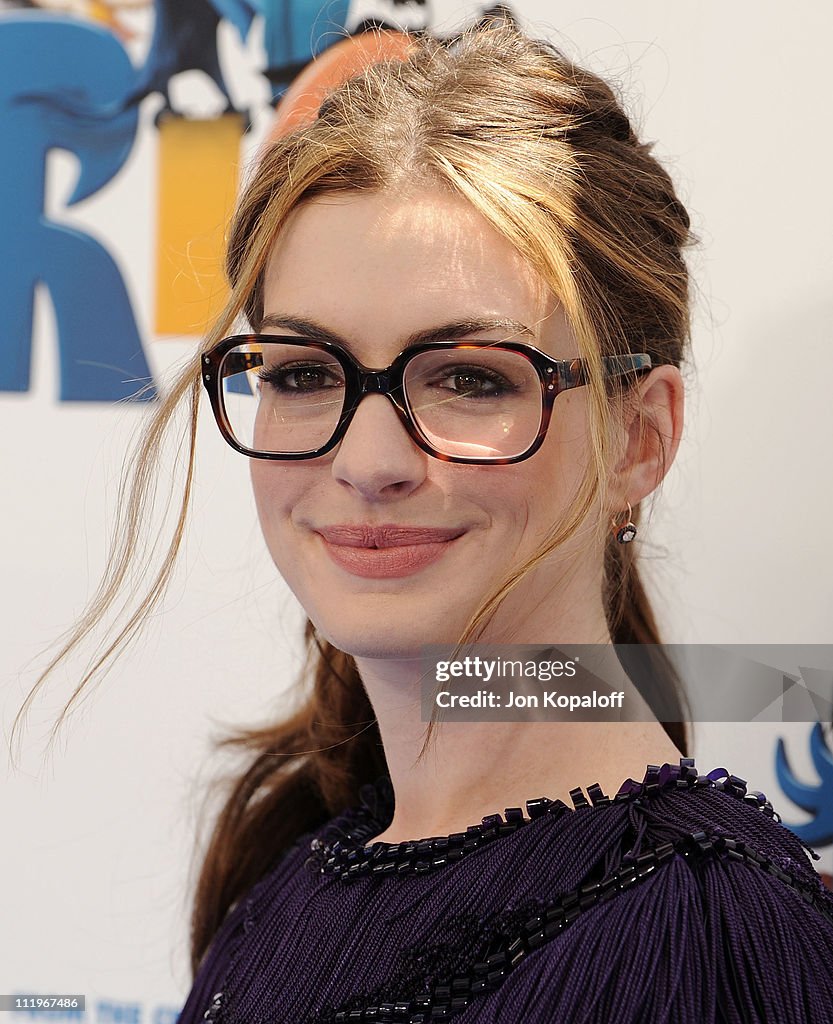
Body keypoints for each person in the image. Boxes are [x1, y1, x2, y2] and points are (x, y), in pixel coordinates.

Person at [17, 18, 833, 1024]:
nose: (366, 462)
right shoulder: (285, 873)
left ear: (638, 439)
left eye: (467, 379)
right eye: (305, 373)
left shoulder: (706, 936)